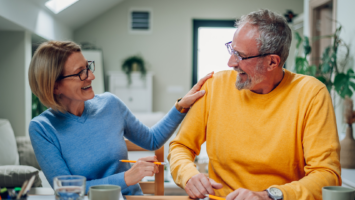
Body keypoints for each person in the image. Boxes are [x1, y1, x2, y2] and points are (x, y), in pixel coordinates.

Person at [168, 9, 341, 200]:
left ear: (272, 62)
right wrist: (189, 175)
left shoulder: (312, 94)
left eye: (240, 56)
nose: (230, 62)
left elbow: (327, 176)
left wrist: (268, 196)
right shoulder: (214, 86)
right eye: (232, 50)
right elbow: (180, 146)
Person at [28, 41, 213, 195]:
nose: (91, 76)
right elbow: (66, 190)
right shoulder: (42, 128)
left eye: (88, 67)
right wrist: (126, 178)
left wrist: (181, 106)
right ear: (54, 86)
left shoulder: (110, 104)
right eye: (80, 73)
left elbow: (152, 140)